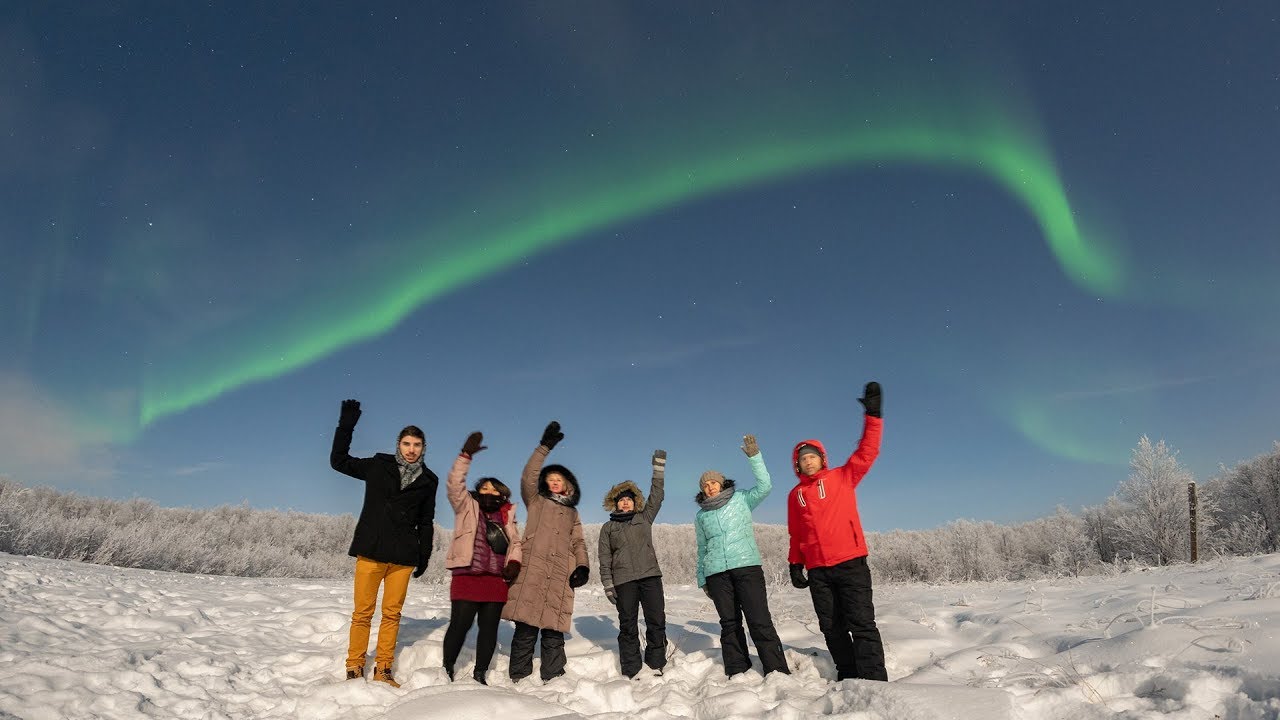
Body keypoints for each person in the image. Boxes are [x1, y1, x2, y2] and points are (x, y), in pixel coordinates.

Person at [329, 398, 438, 687]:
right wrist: (346, 426)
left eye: (417, 445)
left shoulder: (429, 480)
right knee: (363, 612)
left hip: (403, 556)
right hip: (372, 551)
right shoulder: (379, 466)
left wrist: (423, 555)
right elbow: (338, 461)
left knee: (392, 614)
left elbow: (426, 520)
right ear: (398, 445)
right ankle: (354, 666)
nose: (411, 450)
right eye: (406, 444)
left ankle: (384, 669)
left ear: (423, 448)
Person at [786, 381, 887, 682]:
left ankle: (874, 681)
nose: (808, 460)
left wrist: (873, 416)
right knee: (831, 626)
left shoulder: (843, 476)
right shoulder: (795, 495)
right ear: (798, 466)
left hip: (850, 562)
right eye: (803, 458)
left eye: (812, 455)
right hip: (818, 569)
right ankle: (848, 676)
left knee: (862, 623)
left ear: (822, 459)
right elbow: (796, 533)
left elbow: (868, 450)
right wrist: (795, 562)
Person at [501, 421, 590, 683]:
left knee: (553, 631)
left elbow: (579, 542)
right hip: (533, 571)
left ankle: (553, 677)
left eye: (558, 480)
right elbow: (528, 475)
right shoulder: (536, 502)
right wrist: (544, 448)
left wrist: (582, 566)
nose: (553, 483)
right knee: (526, 628)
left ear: (568, 486)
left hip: (560, 574)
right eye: (550, 479)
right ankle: (519, 675)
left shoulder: (573, 513)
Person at [695, 434, 790, 677]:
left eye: (713, 482)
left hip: (746, 567)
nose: (710, 487)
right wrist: (702, 578)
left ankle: (776, 670)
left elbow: (765, 486)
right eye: (705, 485)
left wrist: (754, 457)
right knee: (729, 624)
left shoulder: (741, 499)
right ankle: (737, 671)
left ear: (722, 483)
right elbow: (702, 548)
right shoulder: (701, 516)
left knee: (759, 620)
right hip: (717, 574)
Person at [441, 431, 523, 685]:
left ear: (502, 494)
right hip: (467, 576)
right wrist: (465, 456)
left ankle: (480, 674)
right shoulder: (466, 505)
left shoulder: (507, 514)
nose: (488, 491)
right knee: (459, 626)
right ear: (477, 491)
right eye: (484, 487)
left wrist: (514, 563)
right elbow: (454, 484)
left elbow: (516, 542)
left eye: (493, 488)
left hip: (496, 580)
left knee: (489, 630)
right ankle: (446, 669)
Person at [599, 449, 668, 678]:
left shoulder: (644, 517)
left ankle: (656, 662)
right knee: (627, 623)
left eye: (629, 499)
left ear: (634, 502)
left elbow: (656, 496)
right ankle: (631, 668)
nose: (625, 503)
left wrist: (658, 469)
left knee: (656, 620)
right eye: (622, 500)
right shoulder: (608, 528)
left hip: (650, 576)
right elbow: (604, 557)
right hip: (624, 580)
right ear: (616, 504)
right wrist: (608, 584)